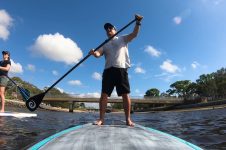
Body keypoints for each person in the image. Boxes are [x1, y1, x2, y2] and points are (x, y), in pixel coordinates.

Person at [89, 14, 143, 126]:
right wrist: (94, 53)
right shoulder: (104, 44)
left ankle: (128, 119)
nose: (108, 30)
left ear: (115, 30)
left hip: (121, 70)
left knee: (125, 94)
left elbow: (134, 34)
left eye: (110, 28)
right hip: (108, 71)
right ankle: (101, 119)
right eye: (106, 29)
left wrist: (137, 22)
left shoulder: (122, 38)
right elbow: (99, 54)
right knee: (104, 95)